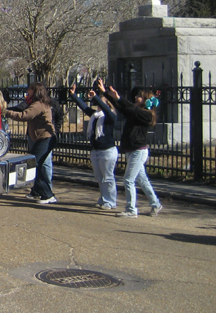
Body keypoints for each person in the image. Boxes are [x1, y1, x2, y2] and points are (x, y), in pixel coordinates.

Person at [104, 84, 163, 218]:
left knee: (128, 180)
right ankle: (155, 204)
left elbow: (130, 108)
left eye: (139, 96)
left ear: (146, 100)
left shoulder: (146, 115)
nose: (136, 98)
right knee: (142, 180)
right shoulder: (136, 113)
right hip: (132, 150)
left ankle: (131, 209)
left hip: (138, 150)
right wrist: (107, 94)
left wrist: (118, 97)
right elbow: (122, 108)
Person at [4, 82, 57, 204]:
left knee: (34, 164)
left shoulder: (38, 104)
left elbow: (24, 115)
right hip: (42, 138)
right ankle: (36, 192)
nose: (27, 92)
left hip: (45, 138)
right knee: (37, 164)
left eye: (29, 90)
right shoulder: (38, 103)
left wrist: (6, 112)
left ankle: (47, 194)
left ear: (35, 91)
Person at [70, 79, 118, 210]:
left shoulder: (110, 117)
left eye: (101, 103)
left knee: (108, 177)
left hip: (107, 150)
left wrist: (96, 97)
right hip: (96, 150)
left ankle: (110, 201)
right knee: (99, 177)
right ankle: (103, 198)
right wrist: (74, 95)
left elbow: (108, 111)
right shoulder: (95, 116)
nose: (98, 105)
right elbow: (84, 108)